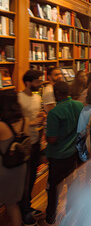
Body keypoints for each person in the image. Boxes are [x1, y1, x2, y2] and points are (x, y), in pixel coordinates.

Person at [41, 82, 83, 225]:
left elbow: (52, 139)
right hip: (73, 154)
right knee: (72, 186)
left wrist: (46, 133)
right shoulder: (79, 105)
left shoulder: (54, 112)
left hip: (58, 156)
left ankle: (50, 219)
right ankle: (70, 214)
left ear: (57, 94)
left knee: (53, 189)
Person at [17, 70, 45, 224]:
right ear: (28, 82)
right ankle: (24, 210)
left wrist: (41, 116)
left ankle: (28, 205)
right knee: (25, 179)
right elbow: (17, 122)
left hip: (36, 142)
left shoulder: (37, 96)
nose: (39, 84)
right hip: (24, 144)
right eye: (37, 81)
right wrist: (33, 122)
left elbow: (36, 114)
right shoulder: (19, 98)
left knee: (32, 176)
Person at [0, 90, 29, 226]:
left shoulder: (1, 126)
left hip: (4, 168)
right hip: (20, 167)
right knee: (12, 204)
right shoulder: (25, 121)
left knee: (8, 202)